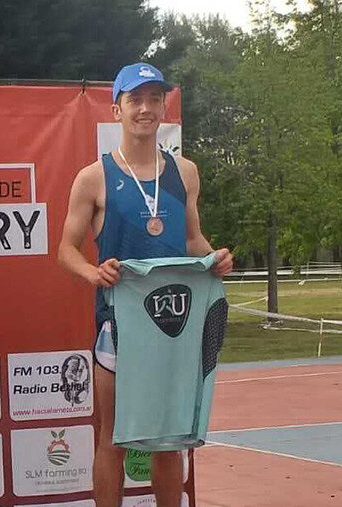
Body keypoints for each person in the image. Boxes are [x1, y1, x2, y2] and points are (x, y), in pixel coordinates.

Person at [57, 62, 233, 507]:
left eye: (155, 99)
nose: (146, 108)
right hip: (119, 327)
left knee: (169, 441)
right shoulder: (93, 177)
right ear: (117, 109)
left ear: (163, 108)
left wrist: (214, 258)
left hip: (173, 326)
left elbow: (191, 240)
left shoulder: (185, 172)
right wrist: (93, 273)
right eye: (135, 99)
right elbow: (66, 250)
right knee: (112, 439)